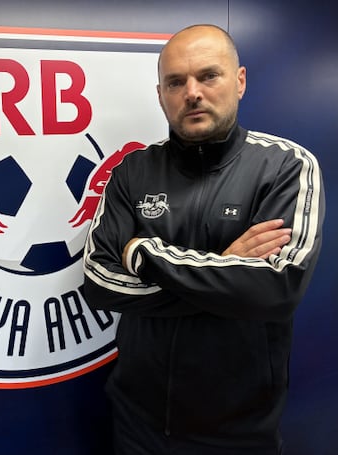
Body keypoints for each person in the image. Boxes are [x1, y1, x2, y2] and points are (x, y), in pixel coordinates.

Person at [83, 24, 325, 454]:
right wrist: (228, 271)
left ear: (240, 81)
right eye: (176, 82)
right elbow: (100, 282)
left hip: (239, 431)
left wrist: (142, 252)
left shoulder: (285, 167)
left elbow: (277, 288)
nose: (192, 93)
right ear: (161, 95)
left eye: (208, 76)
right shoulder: (131, 172)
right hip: (138, 425)